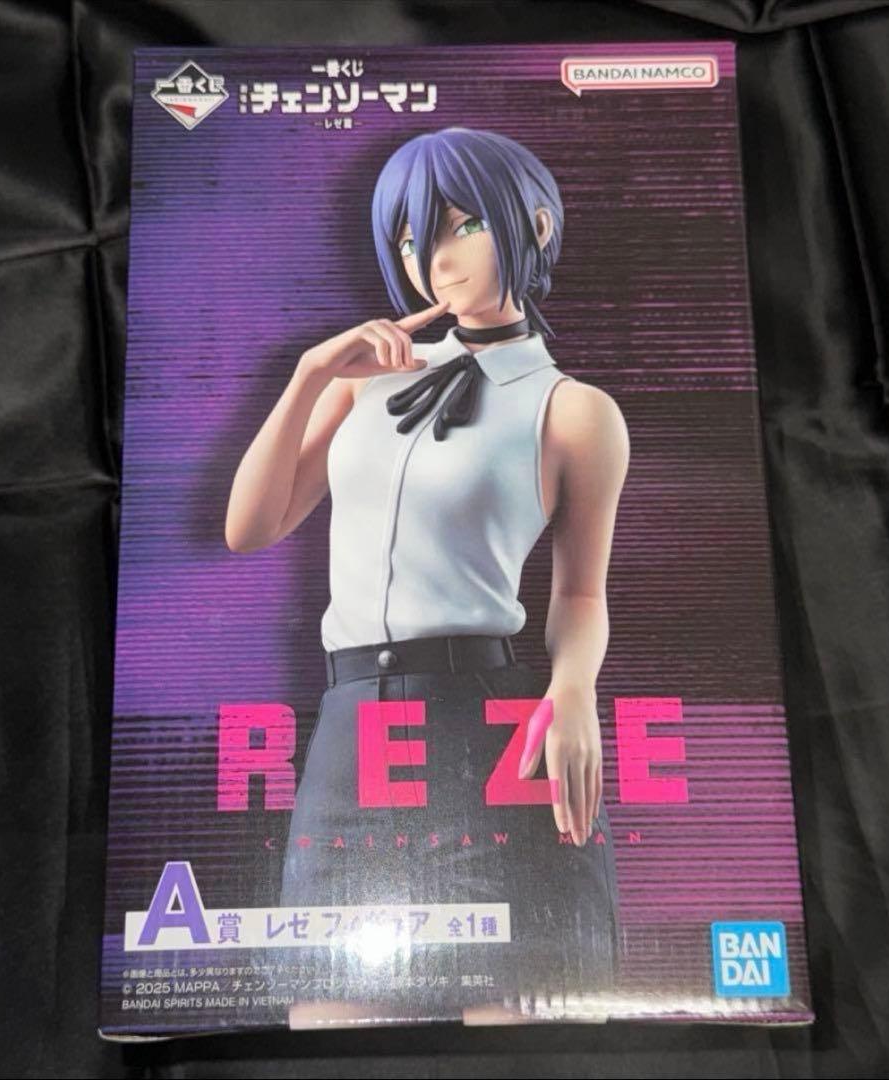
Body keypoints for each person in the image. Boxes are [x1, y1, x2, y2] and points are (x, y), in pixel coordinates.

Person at [224, 127, 630, 1028]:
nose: (432, 259)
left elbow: (580, 592)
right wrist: (310, 373)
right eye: (410, 238)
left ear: (534, 224)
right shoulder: (361, 385)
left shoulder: (575, 412)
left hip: (482, 726)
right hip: (351, 730)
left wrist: (574, 691)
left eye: (459, 225)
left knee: (516, 1013)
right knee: (327, 1013)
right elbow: (249, 527)